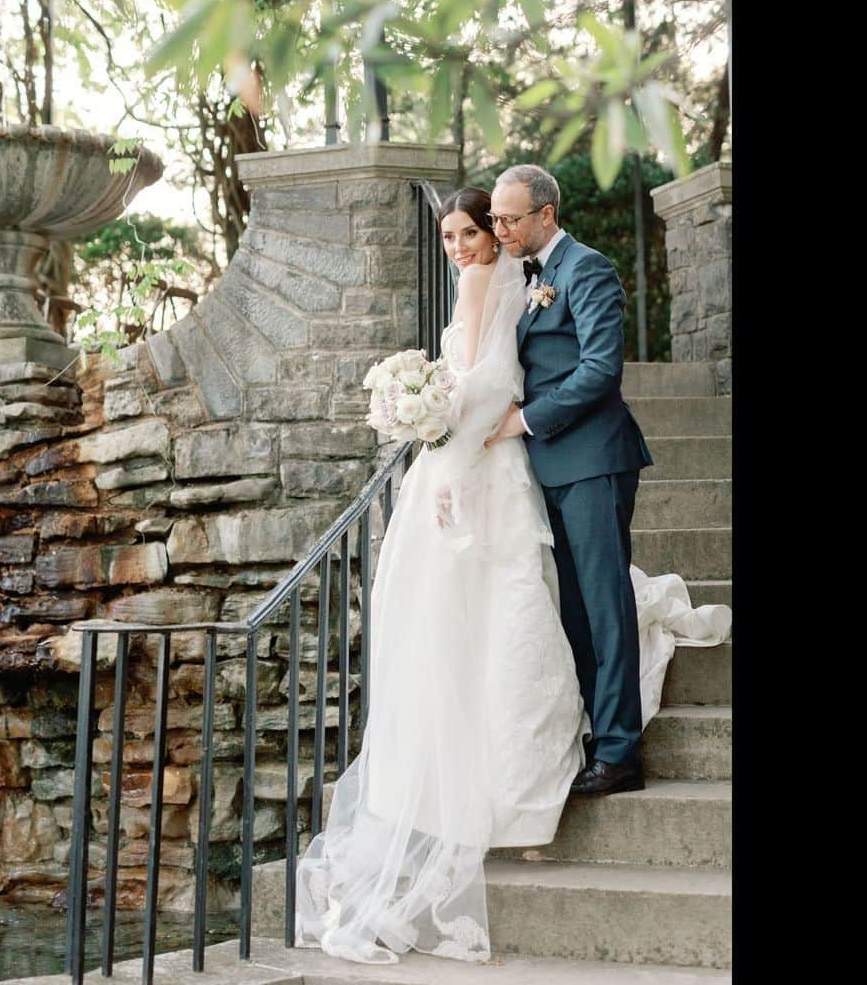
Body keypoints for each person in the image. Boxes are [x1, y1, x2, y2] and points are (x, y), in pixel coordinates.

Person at [292, 183, 730, 966]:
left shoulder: (585, 270)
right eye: (480, 222)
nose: (490, 231)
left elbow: (598, 369)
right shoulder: (519, 277)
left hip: (584, 455)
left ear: (543, 217)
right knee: (565, 609)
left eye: (501, 219)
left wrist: (515, 421)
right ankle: (597, 727)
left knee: (600, 600)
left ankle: (620, 749)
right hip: (528, 464)